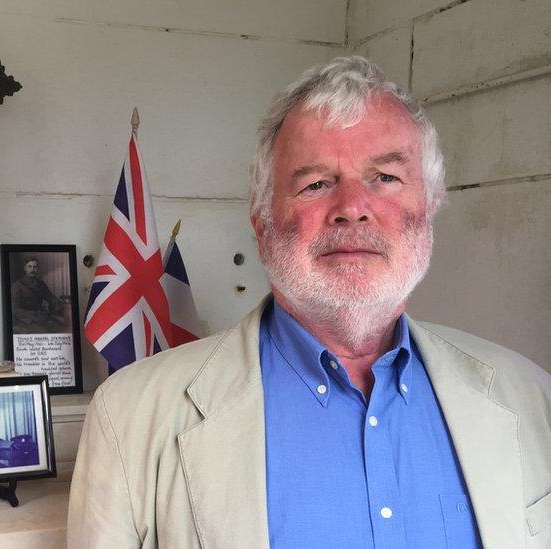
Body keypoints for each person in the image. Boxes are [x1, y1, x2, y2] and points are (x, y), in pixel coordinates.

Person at [67, 57, 551, 548]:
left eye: (385, 177)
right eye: (316, 183)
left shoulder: (532, 398)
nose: (352, 208)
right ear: (261, 222)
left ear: (429, 207)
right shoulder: (127, 418)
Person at [11, 257, 67, 333]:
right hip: (26, 320)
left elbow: (50, 296)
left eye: (35, 267)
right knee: (43, 333)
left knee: (62, 329)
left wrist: (59, 306)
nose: (32, 270)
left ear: (37, 269)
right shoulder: (17, 286)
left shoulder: (40, 284)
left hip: (41, 317)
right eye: (29, 267)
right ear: (25, 268)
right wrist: (34, 316)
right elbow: (15, 309)